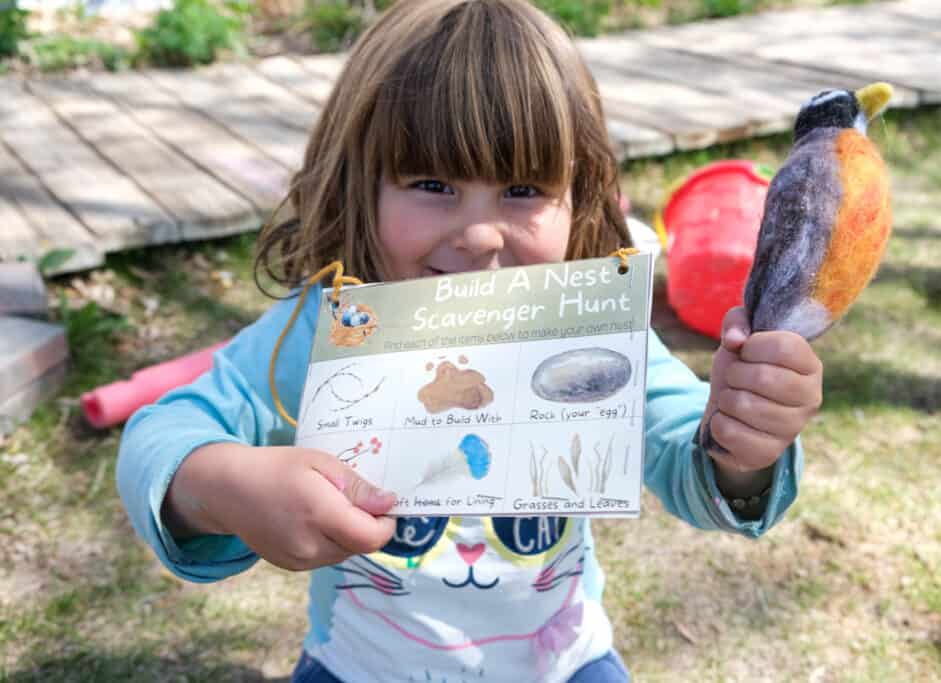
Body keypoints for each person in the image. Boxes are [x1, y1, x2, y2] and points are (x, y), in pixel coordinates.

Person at [117, 1, 823, 681]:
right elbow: (164, 430)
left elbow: (685, 455)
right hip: (356, 668)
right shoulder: (332, 325)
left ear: (580, 193)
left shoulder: (591, 331)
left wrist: (742, 444)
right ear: (360, 185)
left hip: (565, 665)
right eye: (432, 183)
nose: (480, 236)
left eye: (522, 190)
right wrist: (221, 487)